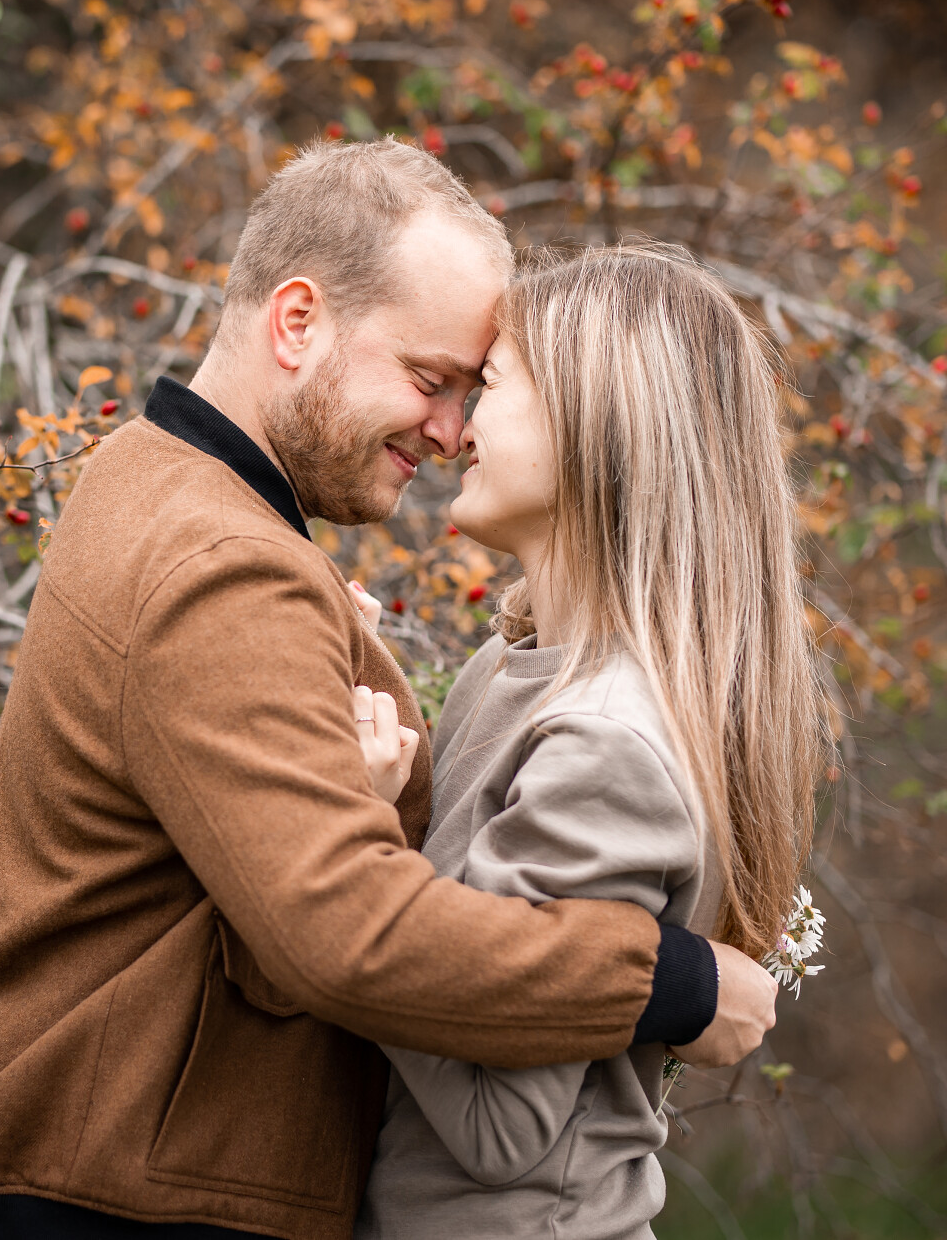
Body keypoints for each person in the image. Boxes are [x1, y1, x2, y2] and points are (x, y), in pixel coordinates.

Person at [0, 141, 780, 1240]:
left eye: (472, 390)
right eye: (429, 379)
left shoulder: (155, 484)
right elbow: (343, 932)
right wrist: (672, 983)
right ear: (298, 322)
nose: (448, 429)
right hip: (104, 1199)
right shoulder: (224, 563)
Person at [351, 241, 828, 1239]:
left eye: (489, 386)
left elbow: (499, 1125)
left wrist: (354, 846)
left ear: (589, 424)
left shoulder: (605, 738)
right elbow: (475, 932)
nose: (454, 427)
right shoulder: (509, 668)